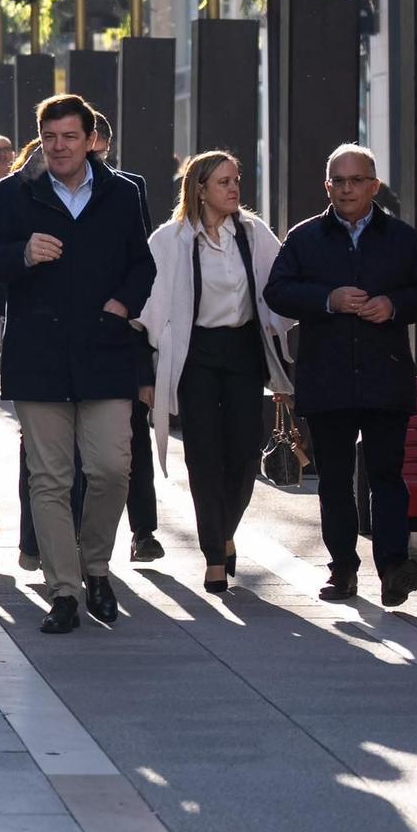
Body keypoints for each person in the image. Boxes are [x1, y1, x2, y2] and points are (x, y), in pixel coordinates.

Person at [0, 94, 155, 634]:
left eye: (70, 137)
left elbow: (142, 264)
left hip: (104, 350)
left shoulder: (121, 193)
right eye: (50, 137)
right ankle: (65, 589)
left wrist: (123, 305)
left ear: (91, 138)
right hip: (39, 355)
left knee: (111, 468)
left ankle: (97, 566)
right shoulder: (11, 194)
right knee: (49, 479)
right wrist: (21, 255)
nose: (59, 147)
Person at [265, 143, 417, 607]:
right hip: (328, 379)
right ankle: (342, 569)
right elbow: (277, 291)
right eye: (338, 181)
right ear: (327, 187)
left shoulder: (401, 238)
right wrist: (329, 299)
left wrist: (394, 305)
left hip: (385, 377)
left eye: (356, 180)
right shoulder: (304, 238)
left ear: (374, 185)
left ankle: (393, 568)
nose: (347, 189)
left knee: (386, 475)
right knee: (335, 481)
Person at [137, 151, 292, 593]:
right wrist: (146, 374)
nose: (233, 188)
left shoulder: (253, 233)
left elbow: (279, 287)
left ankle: (225, 531)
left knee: (243, 454)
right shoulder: (171, 240)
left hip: (243, 350)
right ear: (200, 188)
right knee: (203, 455)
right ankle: (213, 555)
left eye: (236, 180)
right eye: (223, 181)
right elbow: (149, 310)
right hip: (196, 354)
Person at [92, 111, 164, 564]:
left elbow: (144, 264)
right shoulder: (38, 189)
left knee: (131, 439)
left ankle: (144, 531)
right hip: (70, 334)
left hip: (123, 329)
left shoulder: (128, 188)